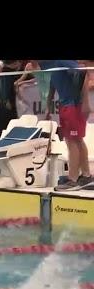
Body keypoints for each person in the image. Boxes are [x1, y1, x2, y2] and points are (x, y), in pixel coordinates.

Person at [38, 60, 92, 191]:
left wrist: (86, 102)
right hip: (65, 105)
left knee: (72, 141)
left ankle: (73, 180)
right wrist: (48, 105)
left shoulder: (63, 60)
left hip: (74, 105)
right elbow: (53, 80)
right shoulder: (51, 64)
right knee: (76, 140)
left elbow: (83, 73)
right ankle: (86, 176)